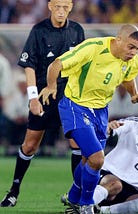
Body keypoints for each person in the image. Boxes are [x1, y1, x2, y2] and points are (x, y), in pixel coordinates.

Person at [39, 23, 138, 213]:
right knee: (97, 158)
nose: (134, 52)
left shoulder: (131, 60)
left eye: (137, 48)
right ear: (118, 40)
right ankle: (86, 204)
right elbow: (57, 64)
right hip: (75, 105)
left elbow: (128, 77)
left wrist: (133, 94)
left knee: (89, 159)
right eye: (131, 47)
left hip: (101, 111)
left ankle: (72, 197)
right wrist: (51, 86)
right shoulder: (93, 48)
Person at [0, 0, 85, 207]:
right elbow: (29, 65)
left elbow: (83, 63)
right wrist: (33, 97)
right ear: (49, 6)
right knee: (30, 145)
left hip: (70, 96)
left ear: (71, 7)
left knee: (77, 144)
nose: (61, 11)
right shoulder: (38, 31)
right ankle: (14, 192)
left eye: (65, 7)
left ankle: (78, 196)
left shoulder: (77, 31)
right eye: (57, 6)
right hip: (44, 95)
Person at [63, 94, 138, 214]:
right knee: (116, 185)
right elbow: (109, 130)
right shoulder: (133, 124)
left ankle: (105, 211)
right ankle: (84, 206)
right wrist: (108, 128)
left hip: (134, 194)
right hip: (109, 177)